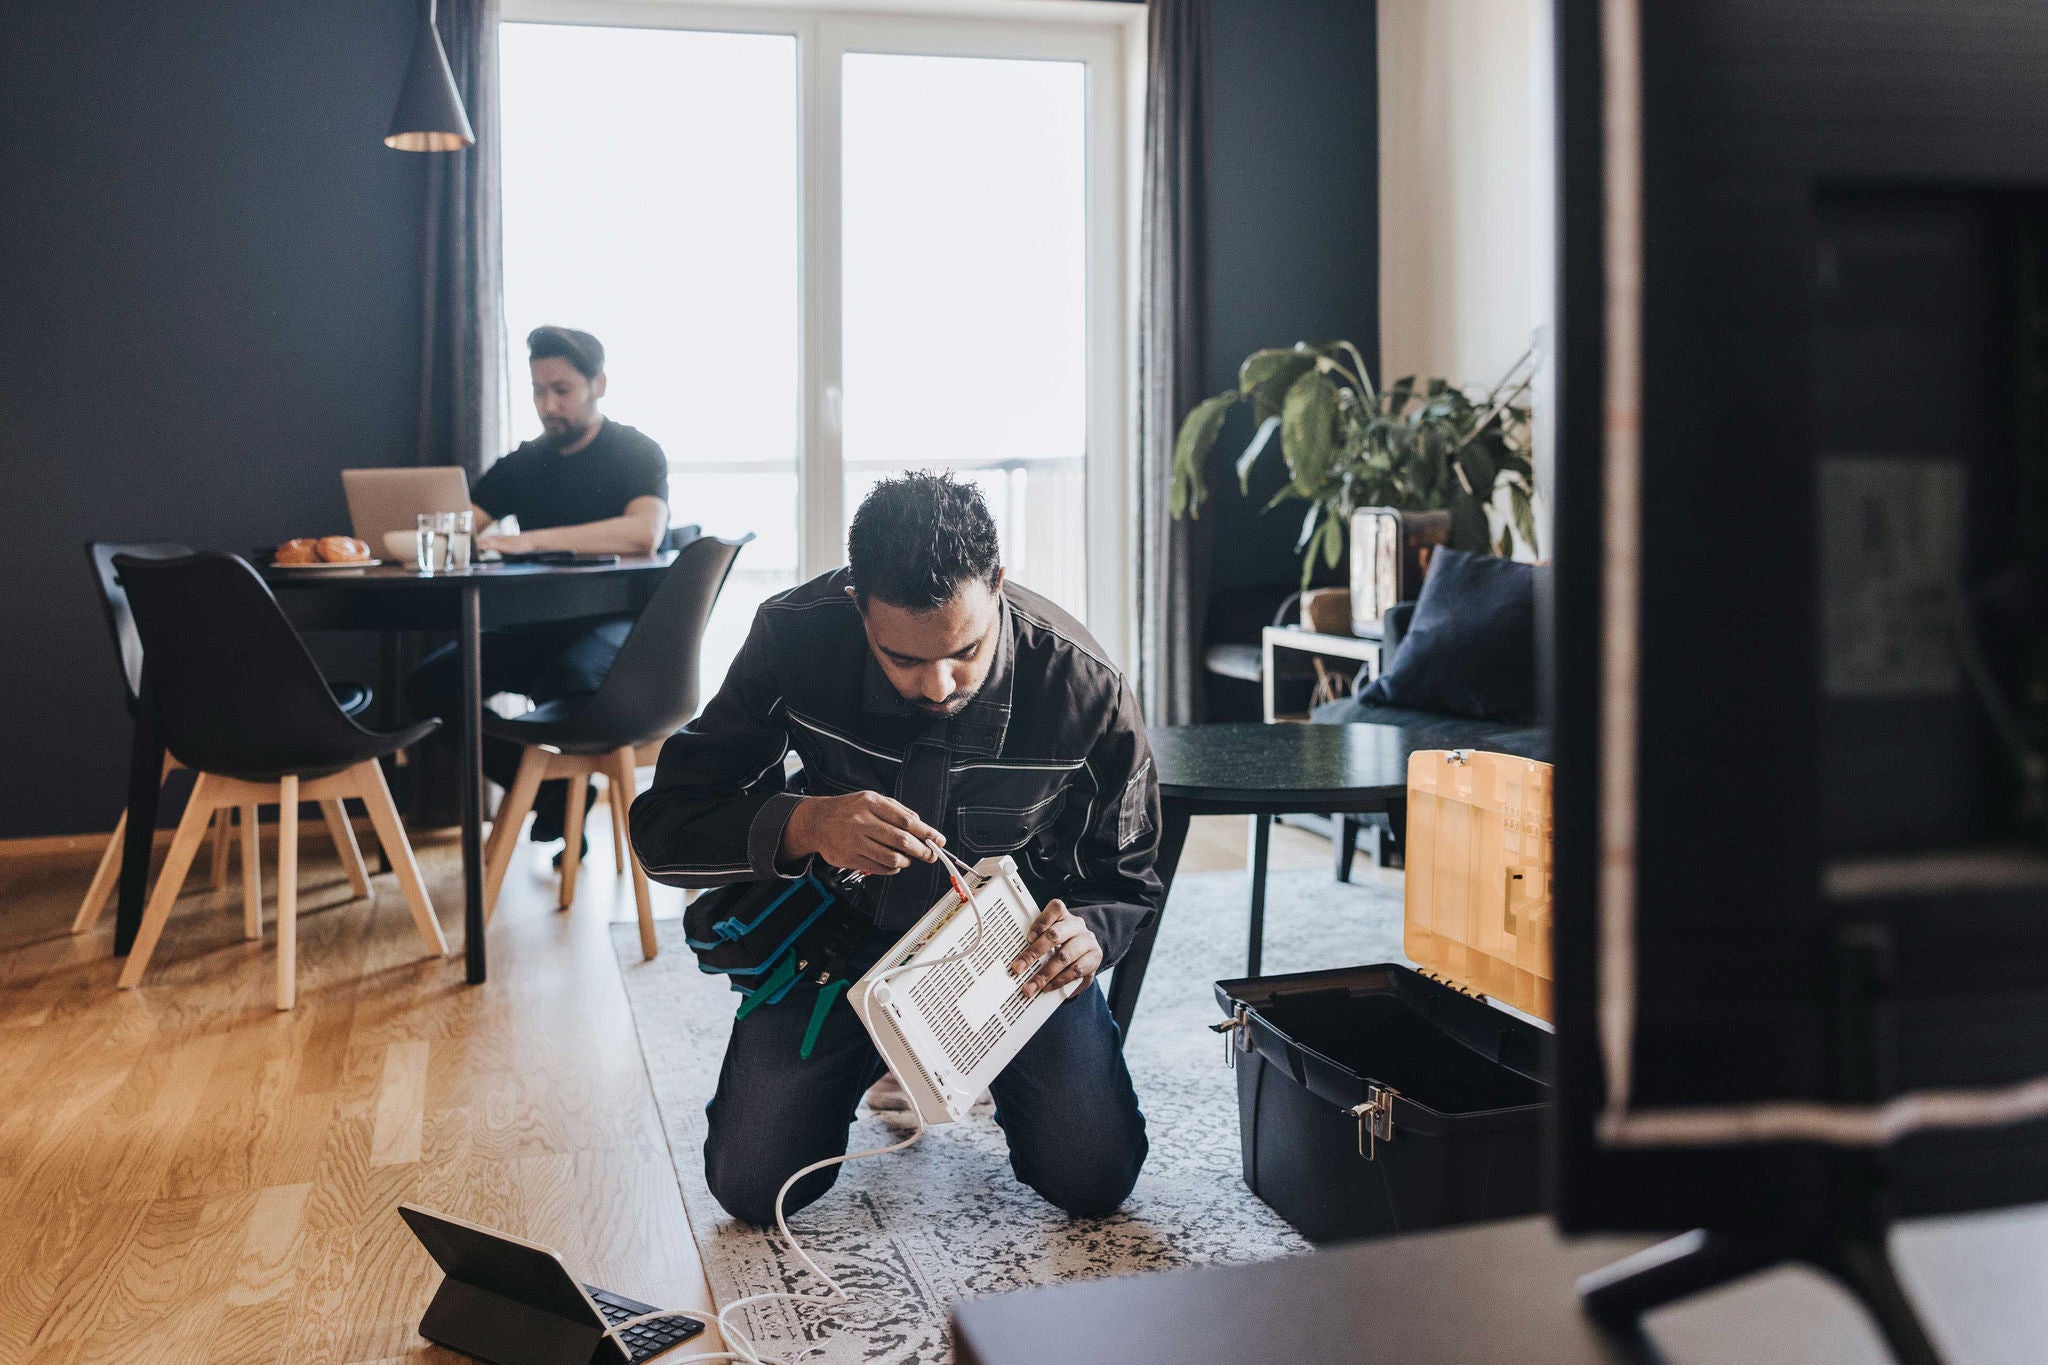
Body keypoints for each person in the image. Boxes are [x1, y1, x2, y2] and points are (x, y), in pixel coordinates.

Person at [631, 472, 1161, 1226]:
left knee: (1094, 1178)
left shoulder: (1086, 686)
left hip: (1009, 957)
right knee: (752, 1188)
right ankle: (887, 1054)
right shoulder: (791, 636)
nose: (939, 683)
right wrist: (806, 823)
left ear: (998, 584)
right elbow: (664, 825)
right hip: (836, 933)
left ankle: (948, 1056)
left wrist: (1086, 934)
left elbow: (1128, 875)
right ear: (858, 606)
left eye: (965, 651)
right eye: (903, 659)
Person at [411, 325, 671, 845]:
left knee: (567, 678)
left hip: (615, 629)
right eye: (537, 390)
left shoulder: (635, 451)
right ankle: (552, 796)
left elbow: (645, 532)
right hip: (536, 629)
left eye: (562, 390)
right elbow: (459, 527)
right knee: (428, 686)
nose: (548, 405)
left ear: (598, 384)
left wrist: (527, 541)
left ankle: (562, 799)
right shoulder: (522, 463)